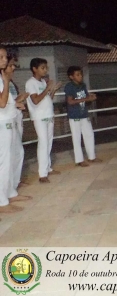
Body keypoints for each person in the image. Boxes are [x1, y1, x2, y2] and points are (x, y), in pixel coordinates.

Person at [0, 47, 31, 213]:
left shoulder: (1, 77)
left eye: (5, 57)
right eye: (2, 57)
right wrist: (5, 82)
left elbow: (8, 102)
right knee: (4, 163)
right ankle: (2, 201)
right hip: (1, 124)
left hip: (9, 121)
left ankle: (10, 192)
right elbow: (2, 103)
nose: (5, 60)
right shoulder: (3, 79)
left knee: (12, 158)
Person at [25, 58, 62, 183]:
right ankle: (42, 174)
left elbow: (47, 99)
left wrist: (53, 90)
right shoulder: (31, 83)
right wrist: (47, 89)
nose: (45, 70)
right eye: (42, 68)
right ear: (34, 69)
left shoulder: (43, 82)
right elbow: (35, 100)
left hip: (48, 115)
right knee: (43, 143)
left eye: (46, 68)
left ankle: (48, 168)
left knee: (49, 142)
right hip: (39, 117)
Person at [64, 66, 103, 166]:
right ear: (71, 77)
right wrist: (86, 99)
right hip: (74, 116)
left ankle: (91, 157)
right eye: (77, 75)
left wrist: (90, 99)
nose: (80, 76)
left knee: (89, 135)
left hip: (84, 114)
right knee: (76, 138)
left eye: (81, 74)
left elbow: (86, 100)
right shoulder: (69, 86)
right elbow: (70, 101)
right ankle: (79, 160)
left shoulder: (83, 86)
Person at [5, 56, 30, 190]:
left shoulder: (11, 83)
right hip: (7, 120)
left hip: (15, 117)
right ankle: (10, 187)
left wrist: (20, 99)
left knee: (18, 152)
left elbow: (12, 100)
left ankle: (15, 181)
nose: (13, 68)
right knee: (10, 154)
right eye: (11, 66)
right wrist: (16, 103)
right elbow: (5, 103)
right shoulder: (4, 83)